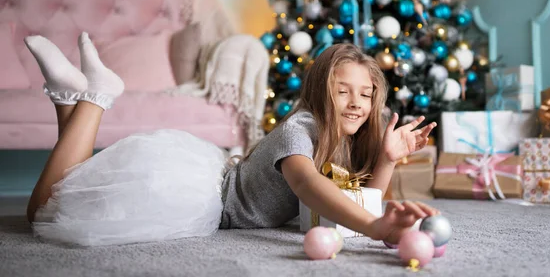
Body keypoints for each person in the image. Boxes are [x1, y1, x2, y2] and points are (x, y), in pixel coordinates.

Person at [24, 34, 439, 247]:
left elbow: (357, 200)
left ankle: (69, 98)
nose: (356, 103)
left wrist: (386, 159)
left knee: (70, 190)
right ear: (319, 90)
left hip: (208, 175)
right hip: (202, 196)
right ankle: (97, 98)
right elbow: (310, 188)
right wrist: (374, 228)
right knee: (44, 211)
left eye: (366, 94)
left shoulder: (342, 140)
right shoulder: (299, 130)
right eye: (343, 89)